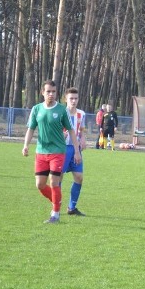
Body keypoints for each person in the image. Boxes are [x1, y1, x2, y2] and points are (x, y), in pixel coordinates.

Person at [21, 80, 81, 224]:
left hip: (58, 152)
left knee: (54, 182)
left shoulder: (61, 110)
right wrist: (25, 145)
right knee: (40, 185)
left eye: (54, 92)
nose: (51, 94)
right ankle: (57, 202)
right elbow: (31, 129)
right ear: (43, 92)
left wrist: (77, 151)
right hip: (41, 152)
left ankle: (55, 213)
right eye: (48, 91)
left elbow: (72, 131)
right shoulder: (36, 109)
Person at [61, 87, 86, 216]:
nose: (74, 101)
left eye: (76, 98)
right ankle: (56, 207)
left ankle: (72, 207)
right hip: (62, 149)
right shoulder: (60, 112)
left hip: (76, 149)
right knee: (58, 177)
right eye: (71, 98)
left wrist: (84, 139)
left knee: (79, 177)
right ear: (66, 99)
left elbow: (82, 130)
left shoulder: (81, 114)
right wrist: (61, 135)